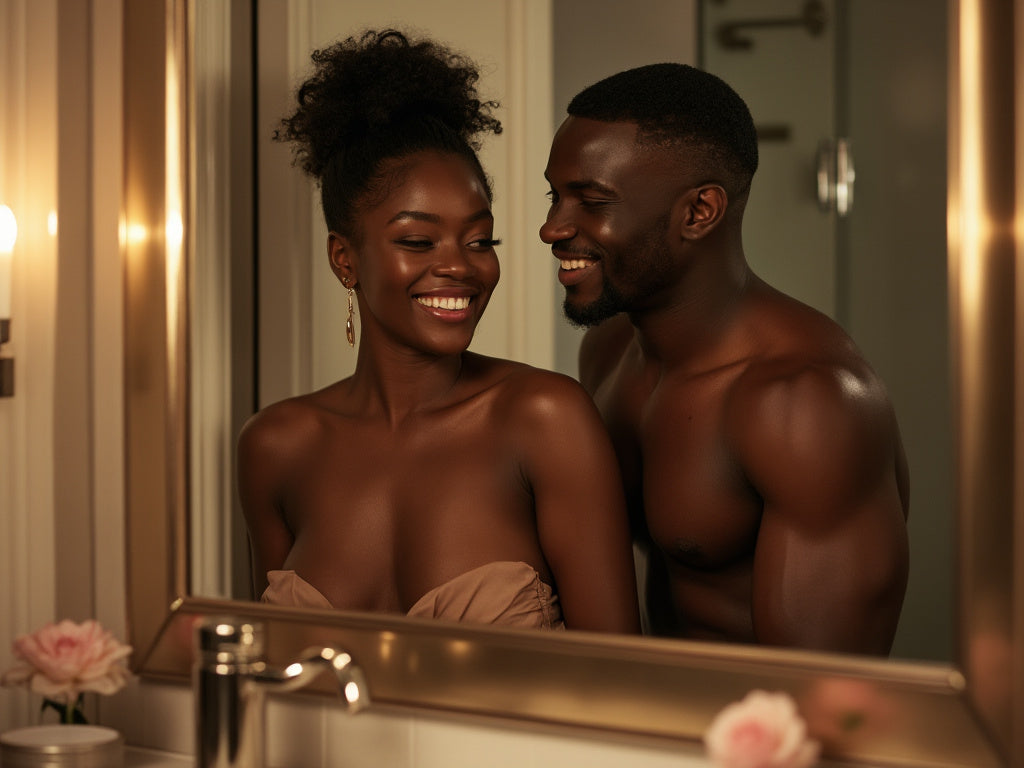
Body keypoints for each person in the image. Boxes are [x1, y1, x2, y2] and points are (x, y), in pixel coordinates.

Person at [237, 30, 640, 634]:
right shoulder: (275, 447)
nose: (461, 265)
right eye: (418, 241)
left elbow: (621, 678)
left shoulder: (544, 419)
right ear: (344, 259)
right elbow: (270, 685)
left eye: (480, 240)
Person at [540, 62, 909, 654]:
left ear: (698, 212)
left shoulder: (805, 403)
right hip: (655, 727)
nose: (551, 228)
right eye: (555, 196)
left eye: (591, 201)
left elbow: (818, 697)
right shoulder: (607, 351)